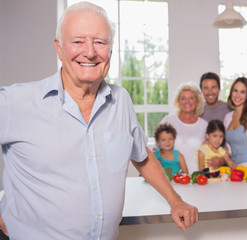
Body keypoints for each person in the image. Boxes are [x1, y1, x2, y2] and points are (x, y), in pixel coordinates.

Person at [0, 2, 197, 239]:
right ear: (59, 48)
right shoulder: (15, 102)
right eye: (78, 41)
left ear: (110, 51)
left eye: (100, 42)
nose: (90, 52)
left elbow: (142, 157)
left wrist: (175, 201)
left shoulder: (121, 101)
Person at [199, 72, 247, 169]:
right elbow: (229, 147)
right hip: (234, 168)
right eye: (235, 90)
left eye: (242, 92)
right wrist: (212, 147)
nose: (238, 95)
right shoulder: (228, 117)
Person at [160, 82, 208, 174]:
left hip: (197, 177)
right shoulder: (168, 121)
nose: (187, 102)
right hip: (174, 177)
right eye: (183, 98)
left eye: (191, 98)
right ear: (178, 101)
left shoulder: (204, 125)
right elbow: (156, 149)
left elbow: (215, 147)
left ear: (197, 101)